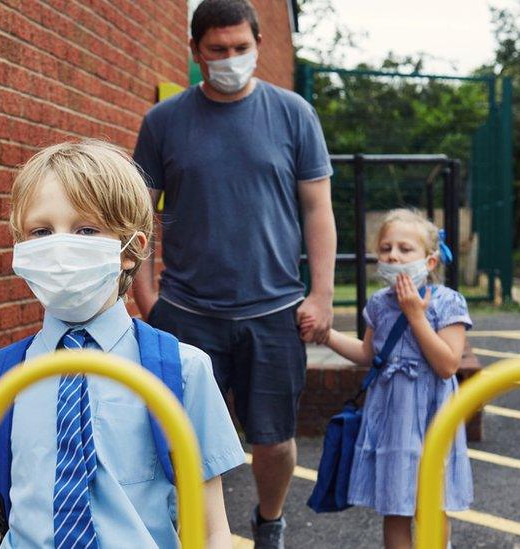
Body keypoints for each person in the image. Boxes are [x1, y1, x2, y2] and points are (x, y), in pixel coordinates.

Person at [0, 140, 245, 548]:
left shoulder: (182, 370)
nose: (60, 246)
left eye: (86, 229)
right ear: (21, 247)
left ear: (131, 249)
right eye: (41, 231)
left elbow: (212, 530)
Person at [131, 0, 336, 546]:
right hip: (189, 311)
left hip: (275, 312)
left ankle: (269, 522)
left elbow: (318, 209)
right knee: (180, 436)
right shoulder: (164, 122)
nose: (230, 59)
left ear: (258, 45)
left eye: (241, 48)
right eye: (217, 50)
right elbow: (136, 213)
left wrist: (321, 294)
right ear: (196, 52)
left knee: (273, 440)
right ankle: (188, 530)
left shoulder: (293, 114)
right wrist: (145, 294)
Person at [306, 209, 474, 549]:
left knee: (431, 503)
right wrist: (326, 336)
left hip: (432, 415)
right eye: (385, 248)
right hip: (392, 417)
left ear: (429, 262)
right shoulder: (380, 304)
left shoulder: (447, 302)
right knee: (395, 508)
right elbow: (369, 355)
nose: (393, 255)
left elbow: (447, 364)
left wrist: (415, 315)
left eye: (404, 249)